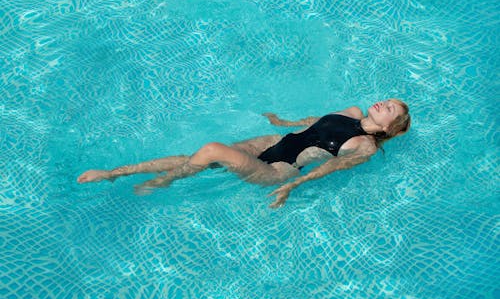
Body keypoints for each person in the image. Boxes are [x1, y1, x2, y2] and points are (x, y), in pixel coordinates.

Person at [77, 99, 411, 208]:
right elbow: (317, 123)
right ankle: (112, 173)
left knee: (210, 151)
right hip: (270, 143)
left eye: (391, 110)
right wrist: (285, 121)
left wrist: (291, 188)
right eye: (388, 100)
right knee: (198, 157)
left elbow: (330, 170)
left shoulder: (365, 146)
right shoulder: (352, 111)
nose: (385, 104)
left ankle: (163, 182)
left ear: (387, 129)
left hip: (280, 169)